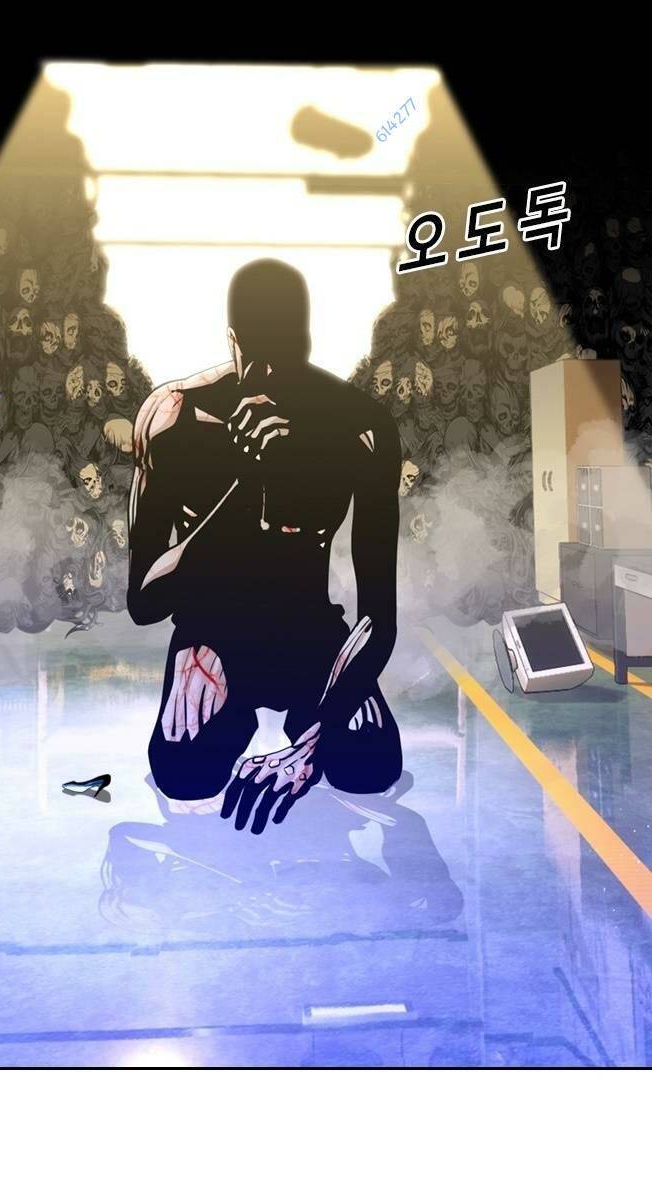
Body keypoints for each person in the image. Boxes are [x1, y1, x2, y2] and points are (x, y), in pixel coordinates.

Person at [126, 259, 403, 834]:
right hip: (213, 632)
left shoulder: (360, 427)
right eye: (259, 356)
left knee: (370, 763)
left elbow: (379, 616)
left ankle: (303, 725)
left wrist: (312, 746)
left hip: (308, 631)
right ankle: (228, 707)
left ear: (308, 341)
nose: (273, 374)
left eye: (289, 352)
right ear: (232, 344)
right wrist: (246, 481)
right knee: (184, 771)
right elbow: (144, 600)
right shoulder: (174, 416)